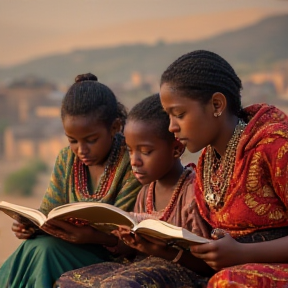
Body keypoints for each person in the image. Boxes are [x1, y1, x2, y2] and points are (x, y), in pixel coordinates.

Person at [160, 50, 288, 287]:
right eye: (168, 116)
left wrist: (244, 254)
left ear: (217, 104)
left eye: (179, 114)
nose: (171, 127)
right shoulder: (208, 161)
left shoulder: (275, 146)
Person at [0, 73, 141, 288]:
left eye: (91, 140)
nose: (81, 150)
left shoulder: (131, 162)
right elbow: (48, 212)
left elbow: (134, 238)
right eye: (72, 140)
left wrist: (92, 236)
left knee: (45, 251)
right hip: (65, 246)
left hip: (114, 258)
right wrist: (29, 226)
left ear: (114, 127)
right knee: (36, 245)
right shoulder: (67, 158)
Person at [55, 94, 210, 287]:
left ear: (176, 149)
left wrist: (166, 252)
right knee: (68, 281)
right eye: (130, 150)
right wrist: (128, 241)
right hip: (141, 267)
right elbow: (133, 252)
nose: (134, 161)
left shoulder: (193, 193)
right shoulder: (146, 191)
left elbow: (208, 265)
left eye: (145, 152)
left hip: (181, 274)